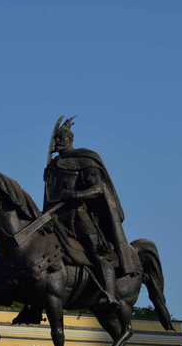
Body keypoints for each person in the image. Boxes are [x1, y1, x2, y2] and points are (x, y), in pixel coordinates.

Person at [43, 116, 136, 309]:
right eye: (56, 138)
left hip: (77, 215)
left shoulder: (85, 160)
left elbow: (100, 188)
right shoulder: (52, 166)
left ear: (70, 140)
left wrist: (76, 194)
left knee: (98, 252)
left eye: (62, 138)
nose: (58, 142)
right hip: (53, 216)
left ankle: (110, 294)